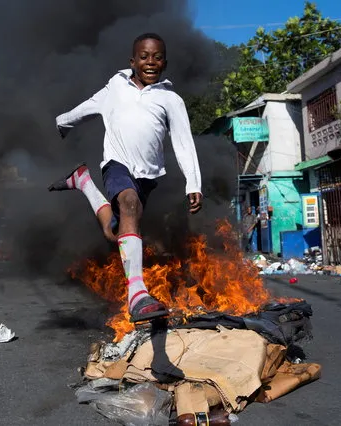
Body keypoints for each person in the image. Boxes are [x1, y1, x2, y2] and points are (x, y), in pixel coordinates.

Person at [49, 33, 202, 323]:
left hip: (148, 176)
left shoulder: (170, 99)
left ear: (165, 63)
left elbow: (184, 142)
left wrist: (193, 183)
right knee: (129, 202)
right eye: (144, 56)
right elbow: (89, 106)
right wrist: (63, 120)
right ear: (132, 61)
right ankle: (137, 293)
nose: (150, 62)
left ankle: (83, 183)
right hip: (116, 164)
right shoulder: (116, 86)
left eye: (157, 57)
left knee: (116, 232)